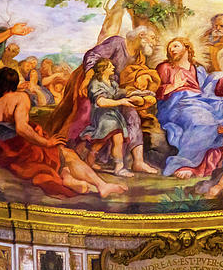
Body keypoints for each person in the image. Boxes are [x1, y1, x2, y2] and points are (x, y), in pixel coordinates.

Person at [0, 67, 127, 198]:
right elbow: (21, 128)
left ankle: (67, 177)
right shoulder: (20, 97)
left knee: (60, 157)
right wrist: (46, 142)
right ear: (15, 83)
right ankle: (102, 185)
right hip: (22, 150)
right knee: (66, 153)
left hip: (5, 155)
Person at [47, 26, 160, 174]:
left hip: (113, 91)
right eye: (152, 38)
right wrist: (88, 77)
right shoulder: (117, 43)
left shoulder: (140, 56)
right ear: (142, 35)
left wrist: (140, 85)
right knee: (85, 113)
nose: (154, 42)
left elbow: (133, 75)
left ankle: (138, 161)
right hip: (94, 84)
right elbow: (93, 55)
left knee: (132, 115)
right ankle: (73, 157)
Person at [156, 37, 223, 177]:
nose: (172, 49)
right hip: (179, 103)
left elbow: (212, 88)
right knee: (204, 120)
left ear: (186, 48)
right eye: (170, 48)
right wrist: (173, 86)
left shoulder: (199, 70)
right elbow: (156, 91)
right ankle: (186, 163)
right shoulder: (165, 67)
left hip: (203, 101)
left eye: (176, 46)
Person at [80, 59, 147, 177]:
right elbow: (101, 102)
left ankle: (91, 163)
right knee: (109, 140)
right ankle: (118, 167)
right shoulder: (95, 83)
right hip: (103, 116)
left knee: (107, 141)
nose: (113, 67)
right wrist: (121, 101)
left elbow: (120, 93)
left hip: (114, 116)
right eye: (110, 66)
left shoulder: (113, 83)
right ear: (103, 69)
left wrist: (137, 93)